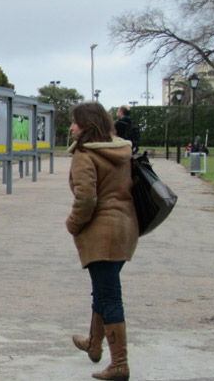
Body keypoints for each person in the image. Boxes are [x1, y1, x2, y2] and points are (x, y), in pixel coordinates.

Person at [66, 102, 138, 381]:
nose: (71, 127)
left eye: (75, 122)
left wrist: (73, 224)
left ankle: (119, 363)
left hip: (101, 233)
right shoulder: (120, 150)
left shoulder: (85, 155)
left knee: (109, 295)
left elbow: (86, 199)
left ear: (88, 124)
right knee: (103, 289)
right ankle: (94, 344)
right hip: (125, 229)